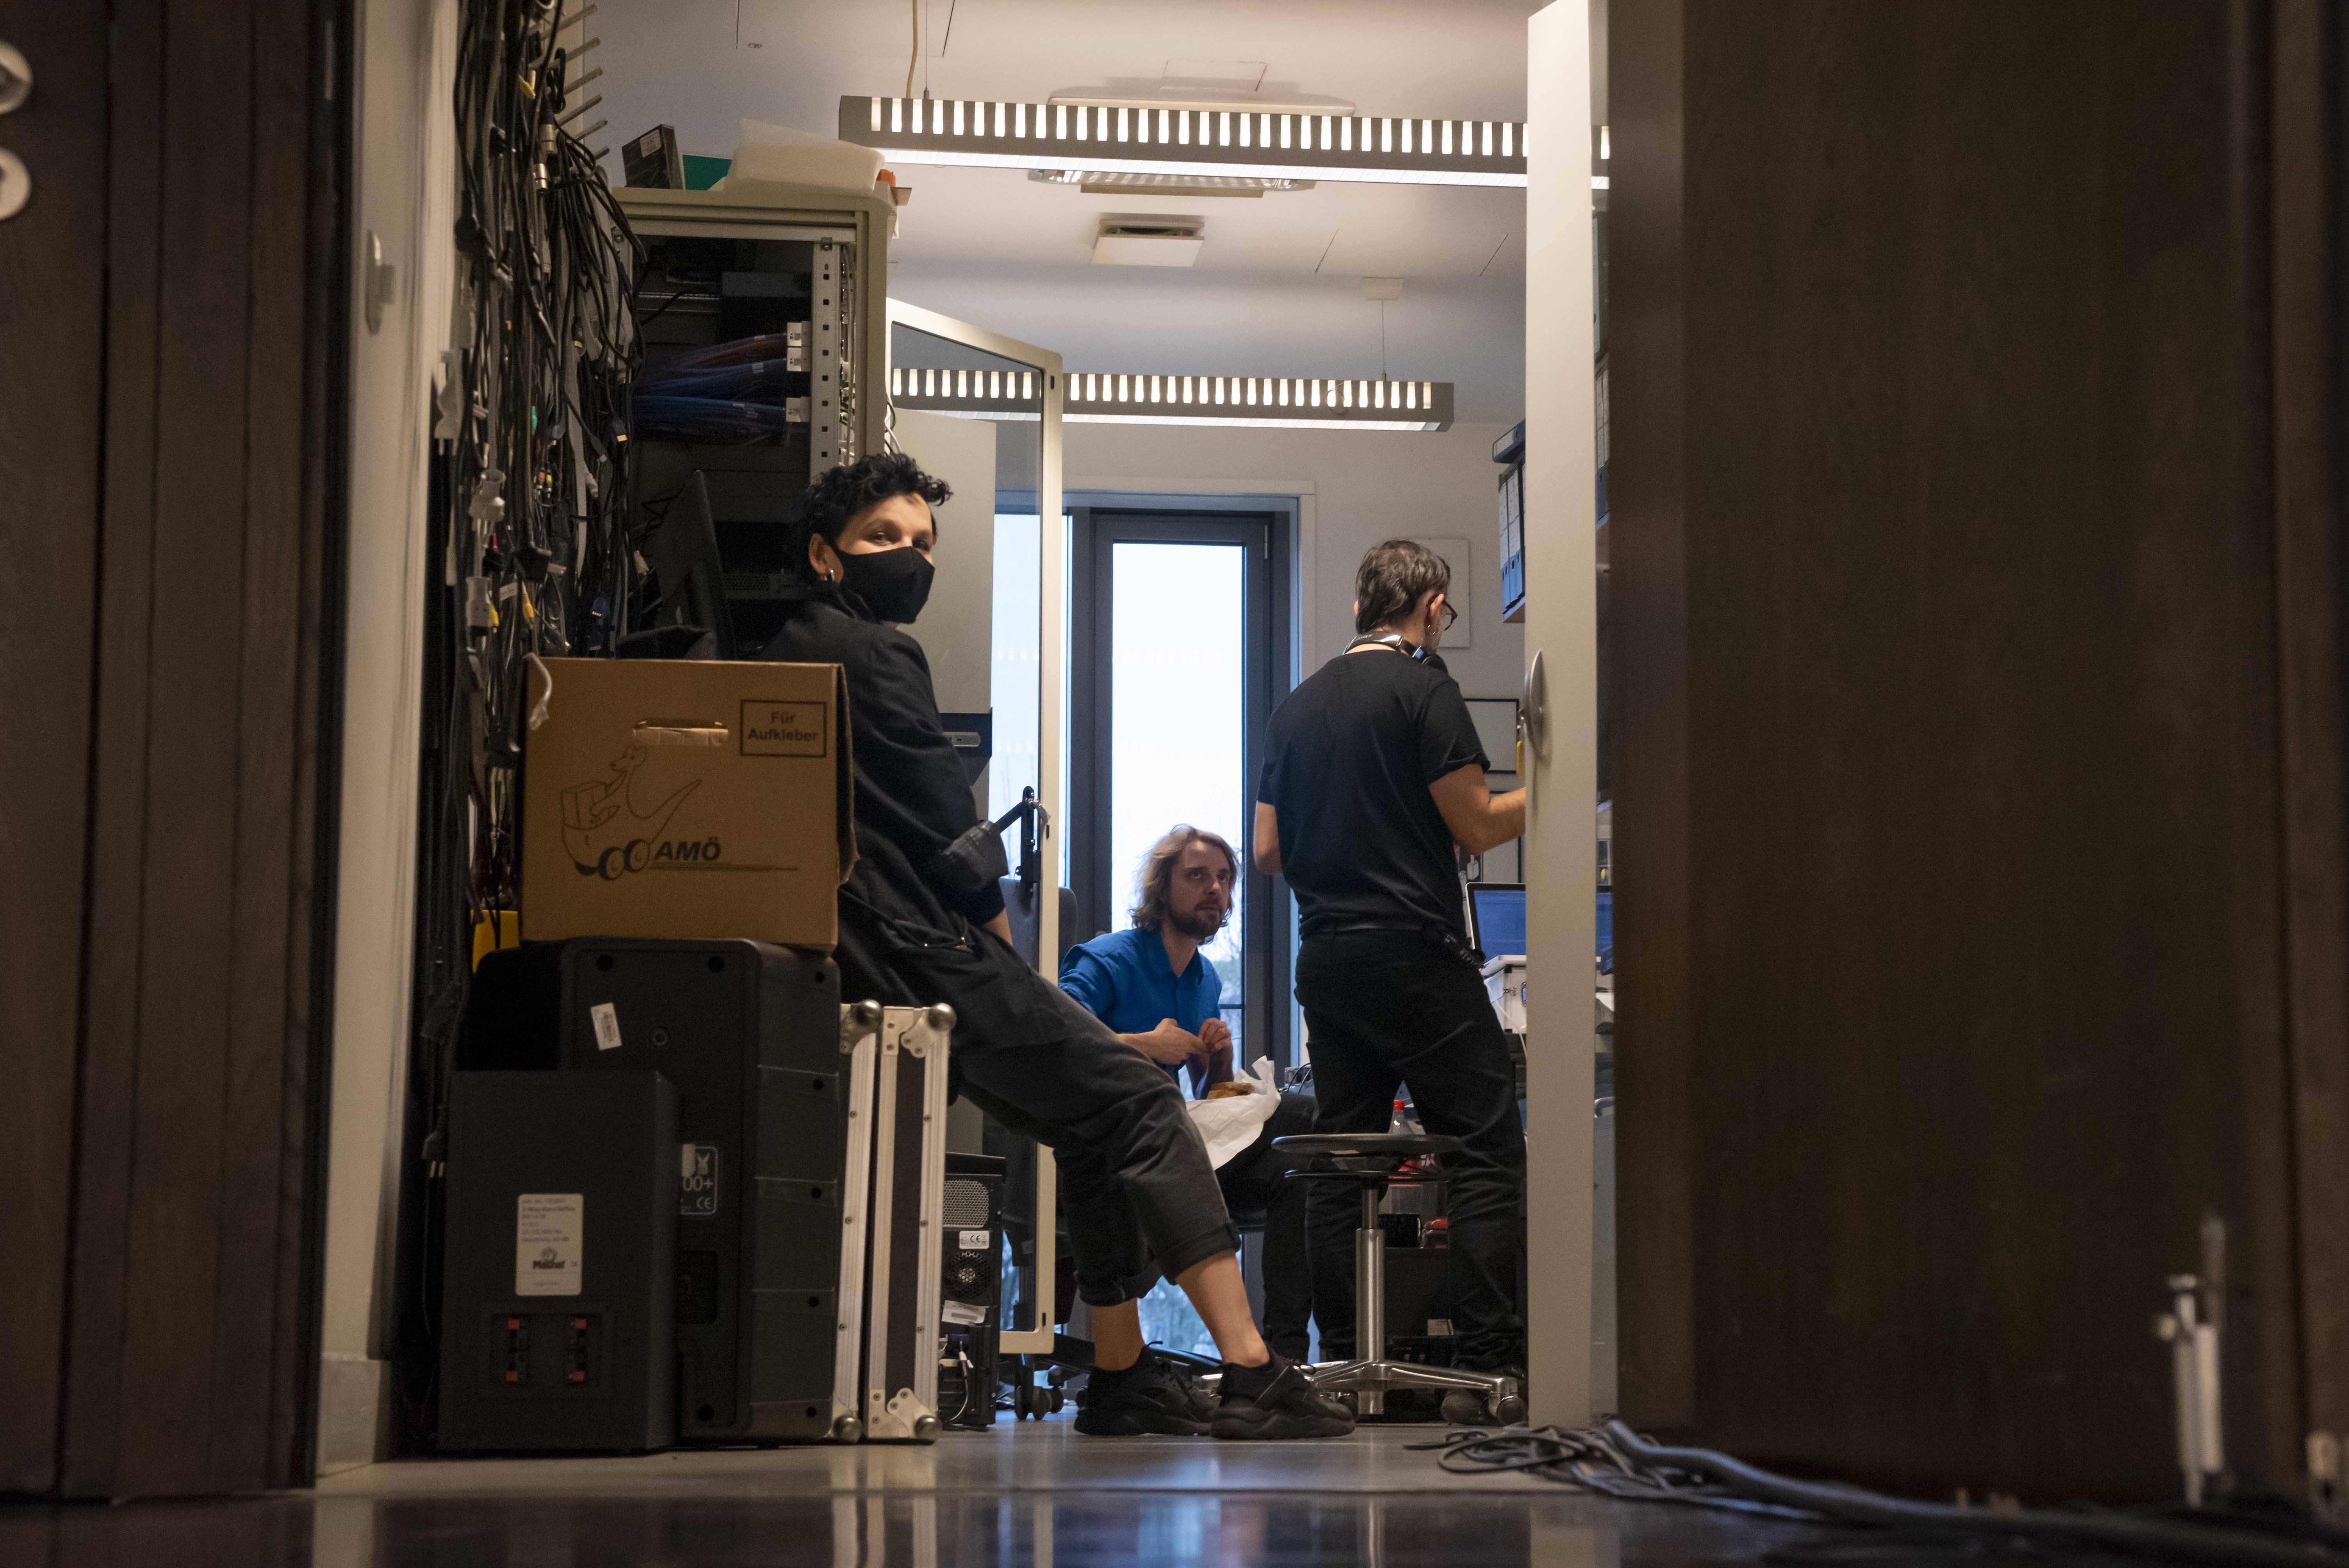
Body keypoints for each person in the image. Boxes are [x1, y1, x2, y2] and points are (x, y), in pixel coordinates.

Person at [757, 453, 1352, 1440]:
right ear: (825, 554)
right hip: (926, 952)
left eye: (922, 542)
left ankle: (1119, 1376)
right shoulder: (875, 653)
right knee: (1138, 1104)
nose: (910, 557)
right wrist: (999, 951)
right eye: (882, 537)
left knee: (1088, 1127)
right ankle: (1250, 1370)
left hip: (862, 953)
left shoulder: (784, 655)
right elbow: (951, 835)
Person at [1252, 540, 1529, 1379]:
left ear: (1357, 610)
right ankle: (1487, 1367)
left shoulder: (1296, 706)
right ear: (1433, 607)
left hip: (1326, 963)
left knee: (1344, 1159)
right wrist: (1563, 787)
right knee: (1482, 1152)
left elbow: (1267, 850)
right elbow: (1478, 824)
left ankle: (1345, 1363)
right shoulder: (1424, 689)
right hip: (1414, 958)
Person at [1059, 827, 1321, 1362]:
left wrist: (1219, 1062)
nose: (1215, 890)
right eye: (1198, 876)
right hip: (1107, 1153)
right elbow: (1057, 1040)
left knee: (1299, 1163)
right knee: (1304, 1116)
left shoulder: (1204, 979)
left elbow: (1204, 1093)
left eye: (1224, 879)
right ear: (1161, 889)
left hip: (1171, 1146)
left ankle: (1285, 1353)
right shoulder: (1106, 959)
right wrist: (1145, 1043)